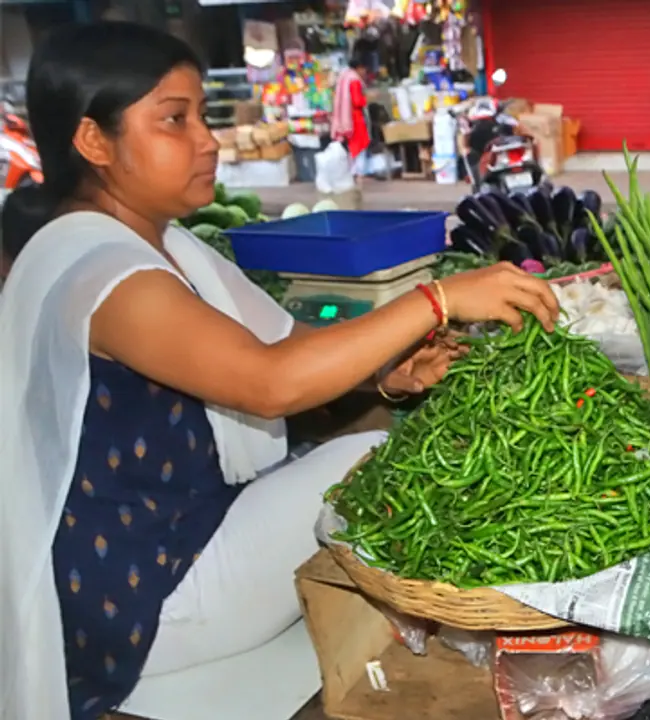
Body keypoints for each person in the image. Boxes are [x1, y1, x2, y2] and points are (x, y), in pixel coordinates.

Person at [0, 22, 559, 720]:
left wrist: (388, 377)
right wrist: (438, 298)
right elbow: (271, 380)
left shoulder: (162, 247)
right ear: (92, 141)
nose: (207, 139)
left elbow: (289, 343)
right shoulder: (102, 274)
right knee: (371, 462)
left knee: (371, 459)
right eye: (173, 120)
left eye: (202, 116)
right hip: (142, 597)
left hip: (175, 538)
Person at [331, 48, 373, 169]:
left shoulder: (344, 76)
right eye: (364, 69)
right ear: (359, 68)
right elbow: (357, 101)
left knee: (352, 147)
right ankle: (358, 173)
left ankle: (354, 172)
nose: (365, 72)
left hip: (347, 116)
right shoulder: (354, 80)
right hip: (355, 118)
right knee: (358, 146)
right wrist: (368, 99)